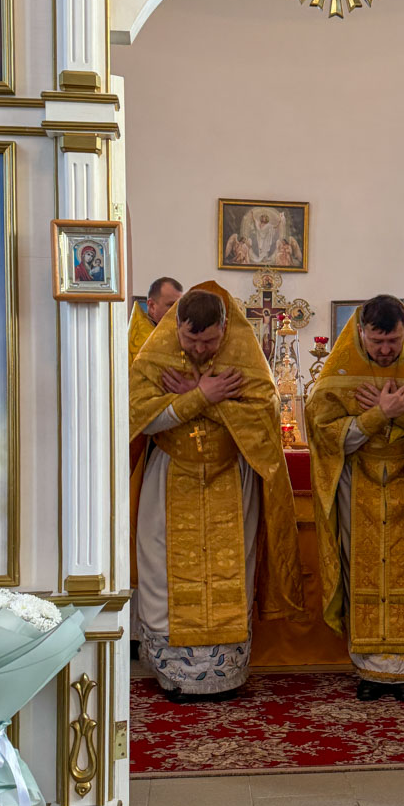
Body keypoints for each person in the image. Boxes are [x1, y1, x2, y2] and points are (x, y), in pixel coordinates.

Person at [129, 280, 303, 700]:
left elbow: (262, 416)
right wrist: (202, 396)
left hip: (230, 478)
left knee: (233, 571)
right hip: (170, 477)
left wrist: (198, 396)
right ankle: (175, 674)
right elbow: (139, 417)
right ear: (176, 327)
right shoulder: (155, 356)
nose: (200, 349)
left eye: (209, 341)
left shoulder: (245, 356)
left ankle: (226, 671)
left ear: (224, 328)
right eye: (191, 340)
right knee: (163, 573)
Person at [306, 294, 404, 702]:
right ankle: (369, 670)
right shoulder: (340, 373)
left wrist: (397, 411)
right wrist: (379, 414)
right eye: (377, 341)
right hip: (357, 485)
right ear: (361, 332)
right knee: (360, 569)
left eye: (394, 341)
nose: (387, 350)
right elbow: (324, 434)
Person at [128, 277, 184, 654]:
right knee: (139, 533)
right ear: (151, 306)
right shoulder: (139, 342)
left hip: (163, 447)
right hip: (140, 447)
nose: (174, 314)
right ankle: (136, 631)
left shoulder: (172, 340)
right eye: (169, 306)